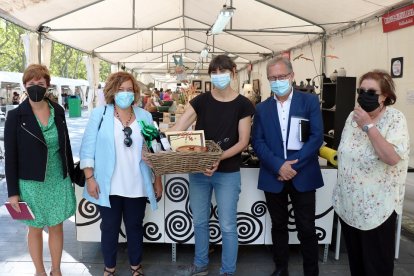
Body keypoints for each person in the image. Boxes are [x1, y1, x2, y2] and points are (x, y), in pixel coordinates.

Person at [173, 55, 255, 276]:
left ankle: (227, 271)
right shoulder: (200, 101)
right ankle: (200, 265)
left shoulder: (243, 104)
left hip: (227, 172)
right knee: (199, 221)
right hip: (199, 171)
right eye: (214, 72)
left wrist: (218, 158)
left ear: (233, 73)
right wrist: (160, 138)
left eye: (223, 72)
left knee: (227, 225)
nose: (219, 76)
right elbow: (179, 128)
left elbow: (243, 141)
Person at [79, 71, 163, 276]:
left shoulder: (145, 116)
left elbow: (156, 150)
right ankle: (109, 267)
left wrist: (157, 179)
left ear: (135, 93)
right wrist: (90, 178)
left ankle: (136, 266)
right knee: (109, 228)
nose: (125, 93)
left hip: (137, 183)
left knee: (135, 226)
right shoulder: (100, 114)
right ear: (112, 91)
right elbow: (87, 149)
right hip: (108, 185)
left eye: (129, 90)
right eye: (120, 90)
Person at [333, 70, 410, 276]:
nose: (365, 94)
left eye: (372, 91)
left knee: (376, 267)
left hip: (377, 209)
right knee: (357, 265)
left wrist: (368, 125)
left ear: (384, 96)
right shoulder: (352, 116)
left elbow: (392, 158)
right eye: (361, 90)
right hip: (350, 205)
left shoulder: (395, 118)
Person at [251, 57, 324, 276]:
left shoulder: (309, 101)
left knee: (307, 229)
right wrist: (278, 166)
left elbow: (316, 136)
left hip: (303, 174)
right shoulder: (262, 108)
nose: (277, 81)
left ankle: (311, 272)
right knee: (279, 226)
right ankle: (281, 268)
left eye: (281, 76)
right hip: (274, 176)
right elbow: (257, 141)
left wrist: (293, 165)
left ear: (291, 76)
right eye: (272, 78)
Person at [5, 64, 76, 276]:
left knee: (56, 226)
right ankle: (40, 271)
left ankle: (56, 270)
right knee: (34, 228)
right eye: (31, 83)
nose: (36, 87)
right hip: (30, 182)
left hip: (58, 179)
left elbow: (66, 145)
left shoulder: (59, 111)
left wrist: (72, 175)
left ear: (48, 86)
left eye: (40, 83)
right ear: (25, 86)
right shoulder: (16, 116)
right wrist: (13, 193)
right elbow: (11, 157)